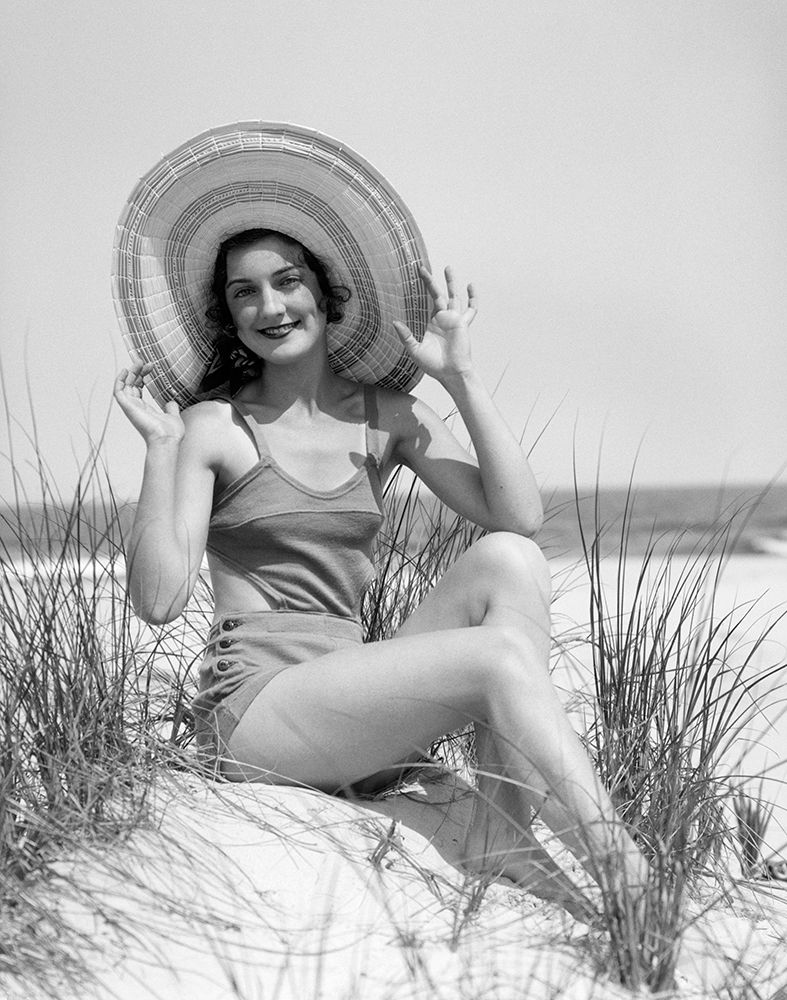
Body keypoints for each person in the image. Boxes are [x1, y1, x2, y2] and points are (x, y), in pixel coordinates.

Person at [112, 122, 647, 921]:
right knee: (498, 658)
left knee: (508, 559)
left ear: (324, 294)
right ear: (228, 317)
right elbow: (157, 600)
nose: (268, 305)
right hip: (260, 713)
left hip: (352, 691)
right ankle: (631, 880)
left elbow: (520, 515)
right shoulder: (214, 427)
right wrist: (159, 450)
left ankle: (503, 831)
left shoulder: (384, 418)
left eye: (286, 281)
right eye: (243, 292)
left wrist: (461, 377)